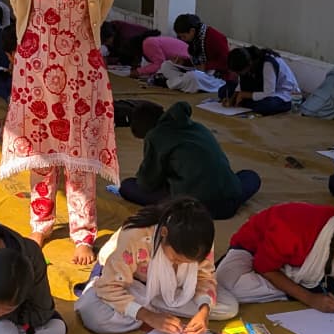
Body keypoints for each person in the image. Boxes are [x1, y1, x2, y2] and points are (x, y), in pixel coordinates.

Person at [0, 0, 117, 265]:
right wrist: (34, 47)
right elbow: (18, 2)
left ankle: (83, 232)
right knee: (41, 146)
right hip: (37, 62)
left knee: (79, 145)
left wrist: (78, 43)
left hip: (81, 62)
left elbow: (103, 0)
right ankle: (42, 220)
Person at [214, 203, 334, 332]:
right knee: (225, 286)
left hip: (294, 272)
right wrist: (309, 297)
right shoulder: (292, 231)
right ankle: (306, 287)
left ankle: (299, 287)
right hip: (252, 252)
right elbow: (264, 268)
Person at [76, 198, 236, 334]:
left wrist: (204, 312)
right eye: (176, 259)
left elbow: (204, 277)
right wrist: (149, 317)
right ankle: (150, 311)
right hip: (131, 283)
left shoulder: (200, 240)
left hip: (168, 291)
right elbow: (110, 287)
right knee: (94, 315)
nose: (179, 265)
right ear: (164, 233)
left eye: (188, 264)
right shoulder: (135, 236)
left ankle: (154, 308)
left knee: (229, 307)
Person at [119, 101, 260, 219]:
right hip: (231, 197)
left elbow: (146, 183)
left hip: (198, 207)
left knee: (127, 186)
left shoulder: (156, 136)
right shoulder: (197, 127)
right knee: (250, 176)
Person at [225, 46, 298, 115]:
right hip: (258, 89)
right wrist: (232, 98)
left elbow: (268, 93)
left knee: (266, 106)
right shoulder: (246, 61)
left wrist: (244, 95)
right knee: (224, 91)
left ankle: (247, 103)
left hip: (280, 93)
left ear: (248, 65)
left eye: (238, 72)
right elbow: (241, 85)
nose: (237, 75)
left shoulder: (267, 63)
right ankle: (247, 102)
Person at [172, 14, 232, 81]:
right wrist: (184, 62)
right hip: (199, 73)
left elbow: (226, 63)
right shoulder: (193, 39)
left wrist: (205, 66)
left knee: (193, 76)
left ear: (192, 31)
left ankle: (178, 82)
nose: (182, 39)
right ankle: (181, 81)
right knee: (166, 65)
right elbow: (196, 63)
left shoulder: (215, 37)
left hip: (217, 77)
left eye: (184, 36)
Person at [123, 30, 192, 78]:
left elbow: (159, 64)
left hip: (187, 62)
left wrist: (139, 71)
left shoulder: (148, 43)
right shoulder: (148, 42)